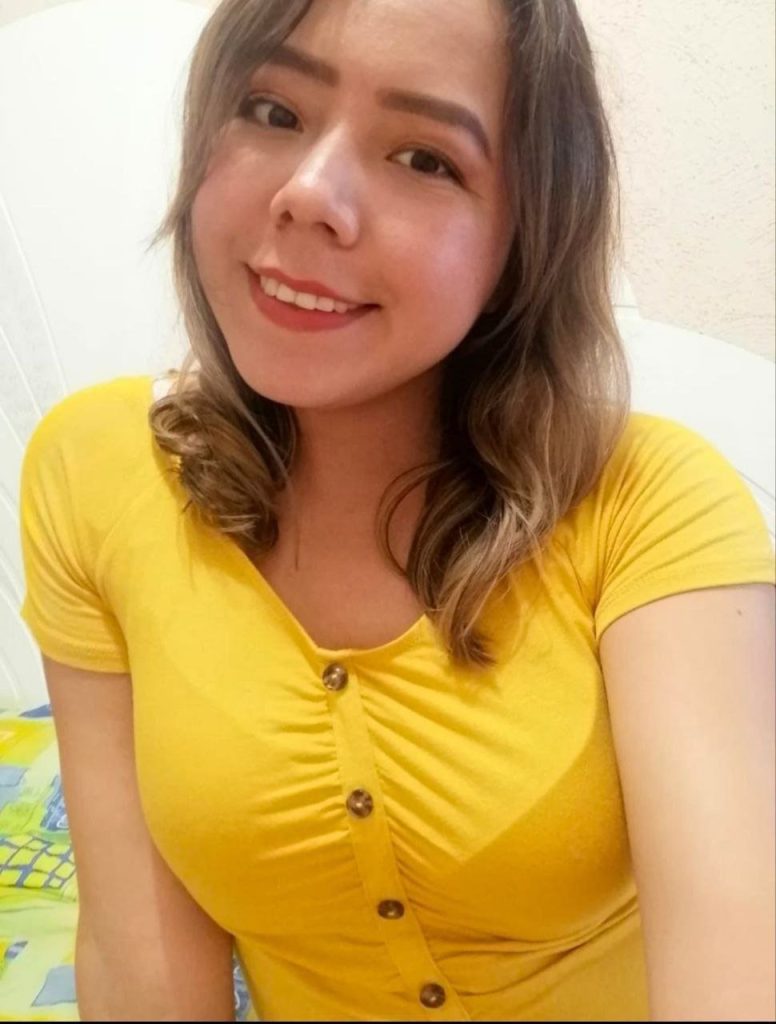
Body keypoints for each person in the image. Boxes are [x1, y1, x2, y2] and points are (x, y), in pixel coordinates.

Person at [18, 0, 775, 1020]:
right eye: (271, 110)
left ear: (523, 238)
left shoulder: (651, 505)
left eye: (425, 159)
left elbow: (735, 962)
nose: (308, 194)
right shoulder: (94, 472)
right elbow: (141, 957)